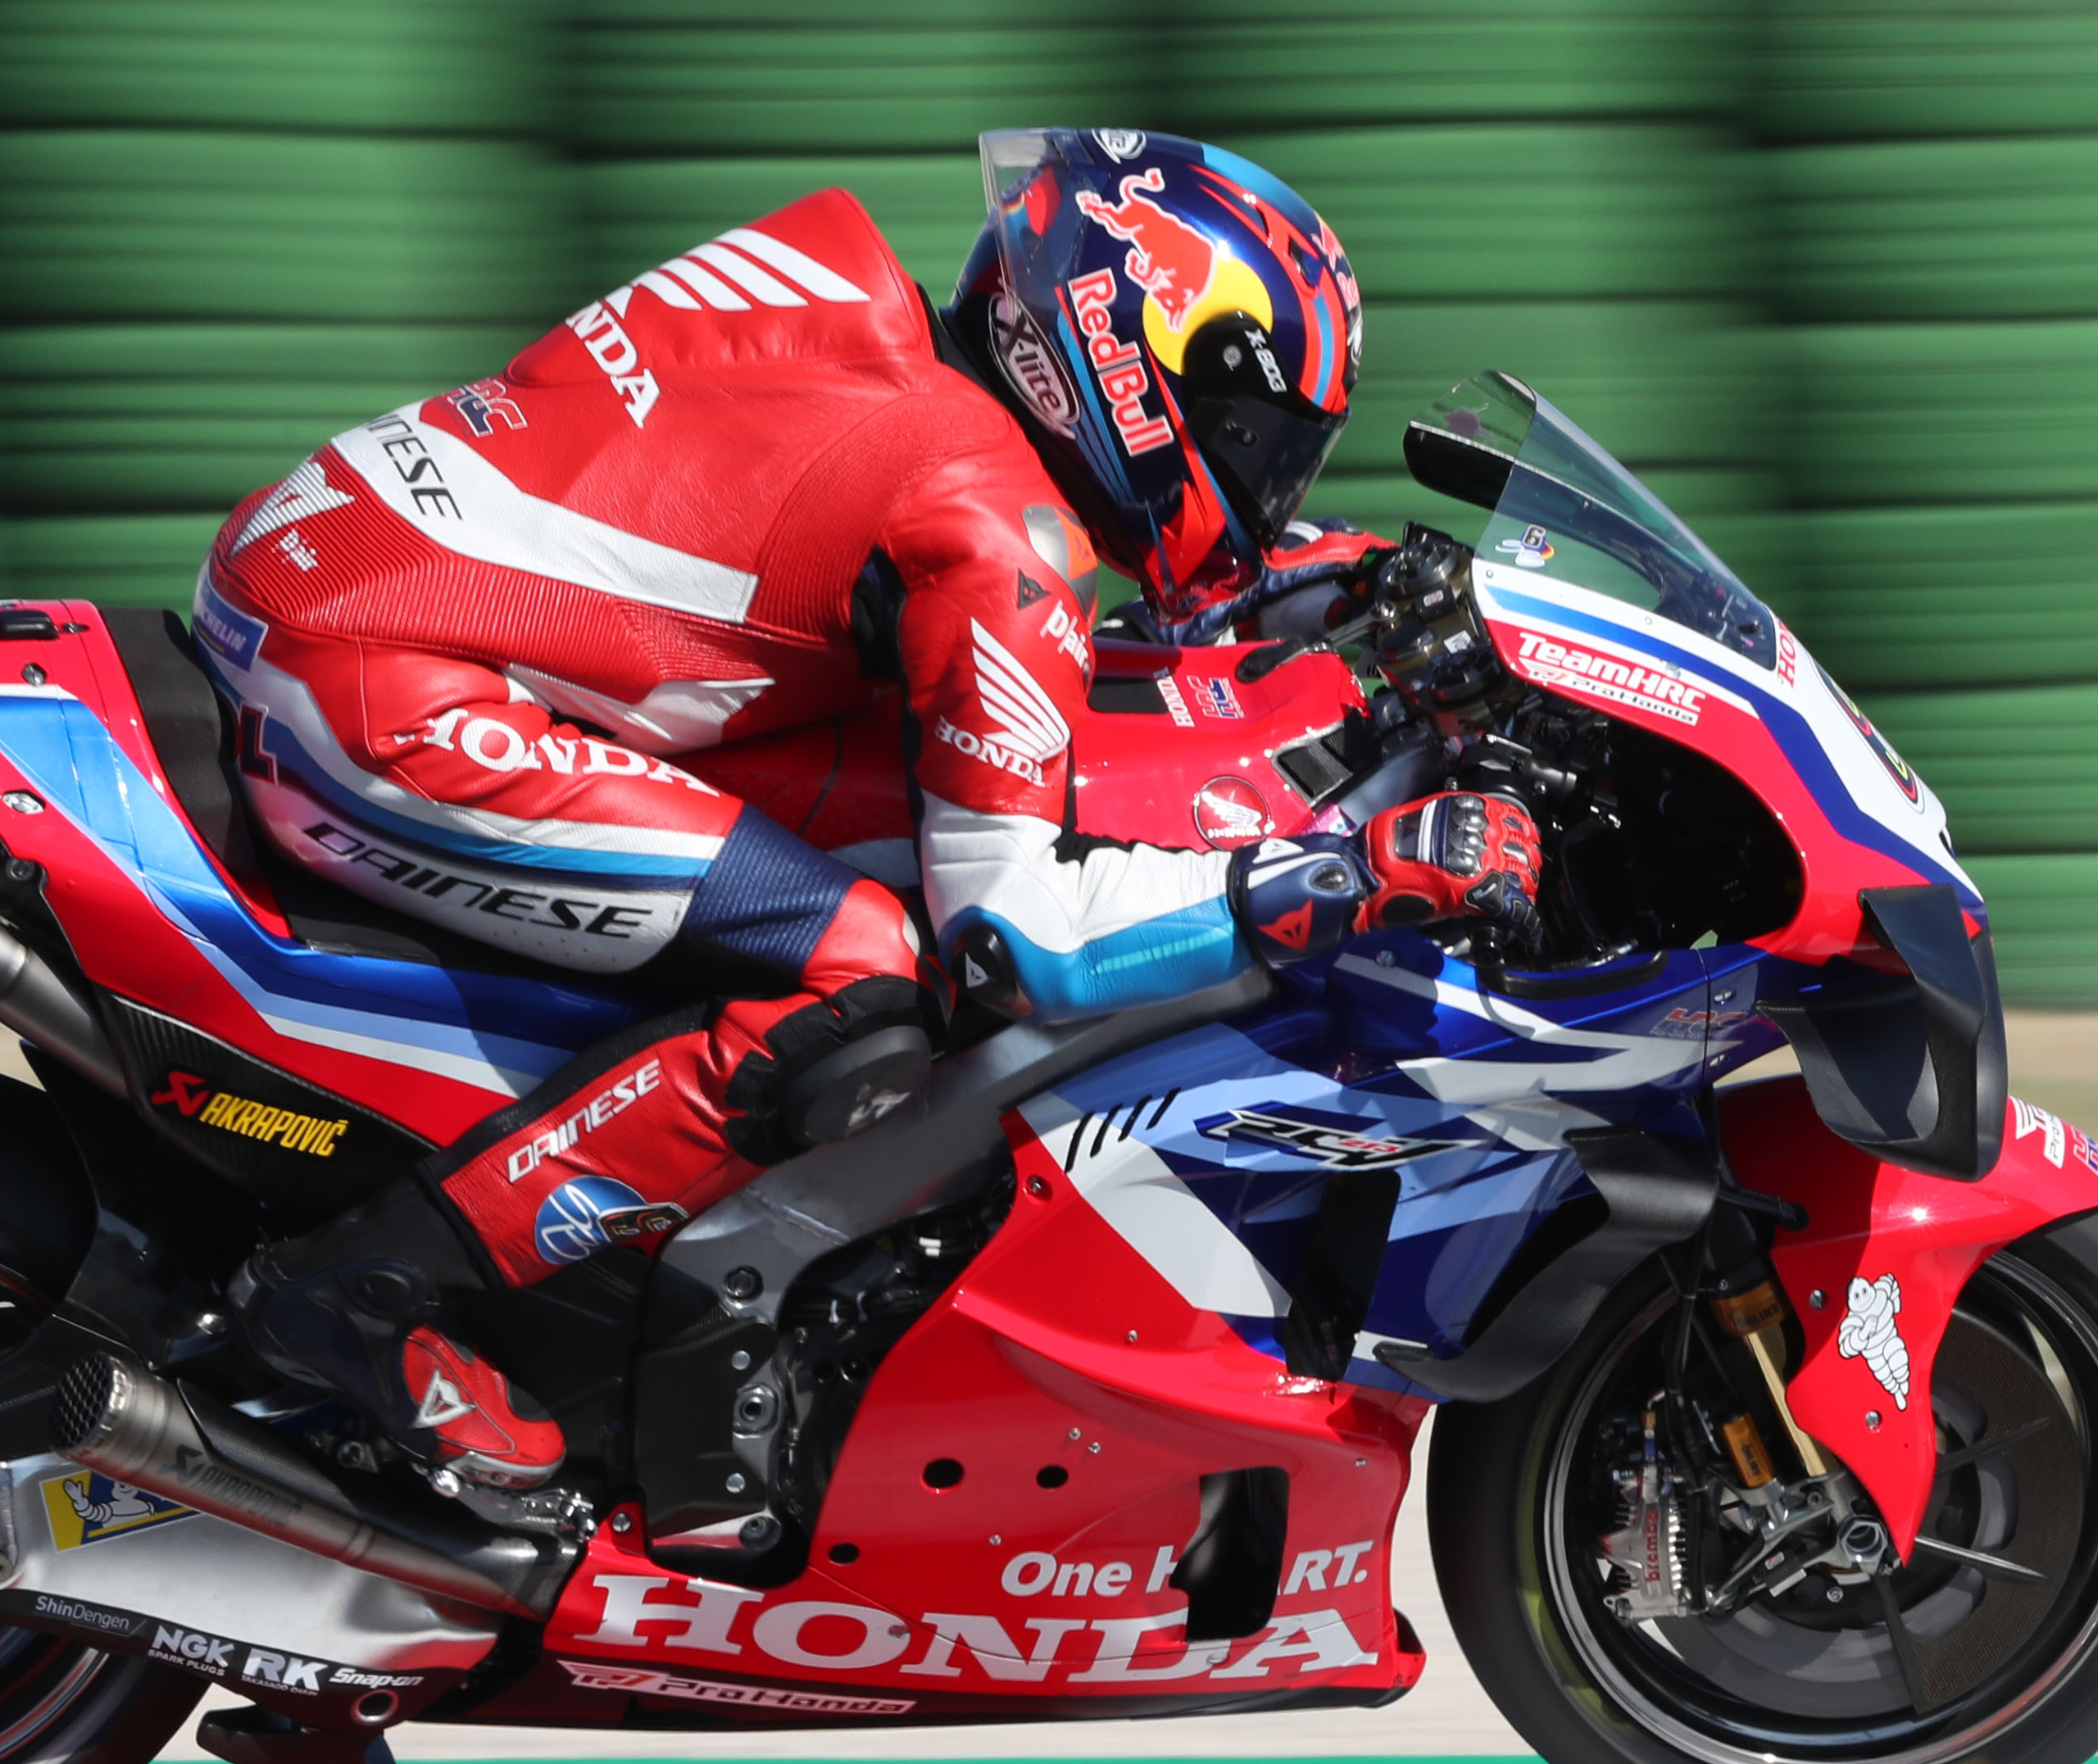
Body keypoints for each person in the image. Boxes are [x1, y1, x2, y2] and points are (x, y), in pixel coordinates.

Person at [199, 128, 1538, 1493]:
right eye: (1254, 439)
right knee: (866, 965)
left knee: (902, 835)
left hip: (340, 575)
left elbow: (1085, 602)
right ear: (1132, 366)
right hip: (377, 686)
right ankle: (356, 1288)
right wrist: (1340, 873)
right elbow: (1020, 943)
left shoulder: (874, 318)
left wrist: (1359, 581)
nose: (1263, 484)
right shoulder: (986, 523)